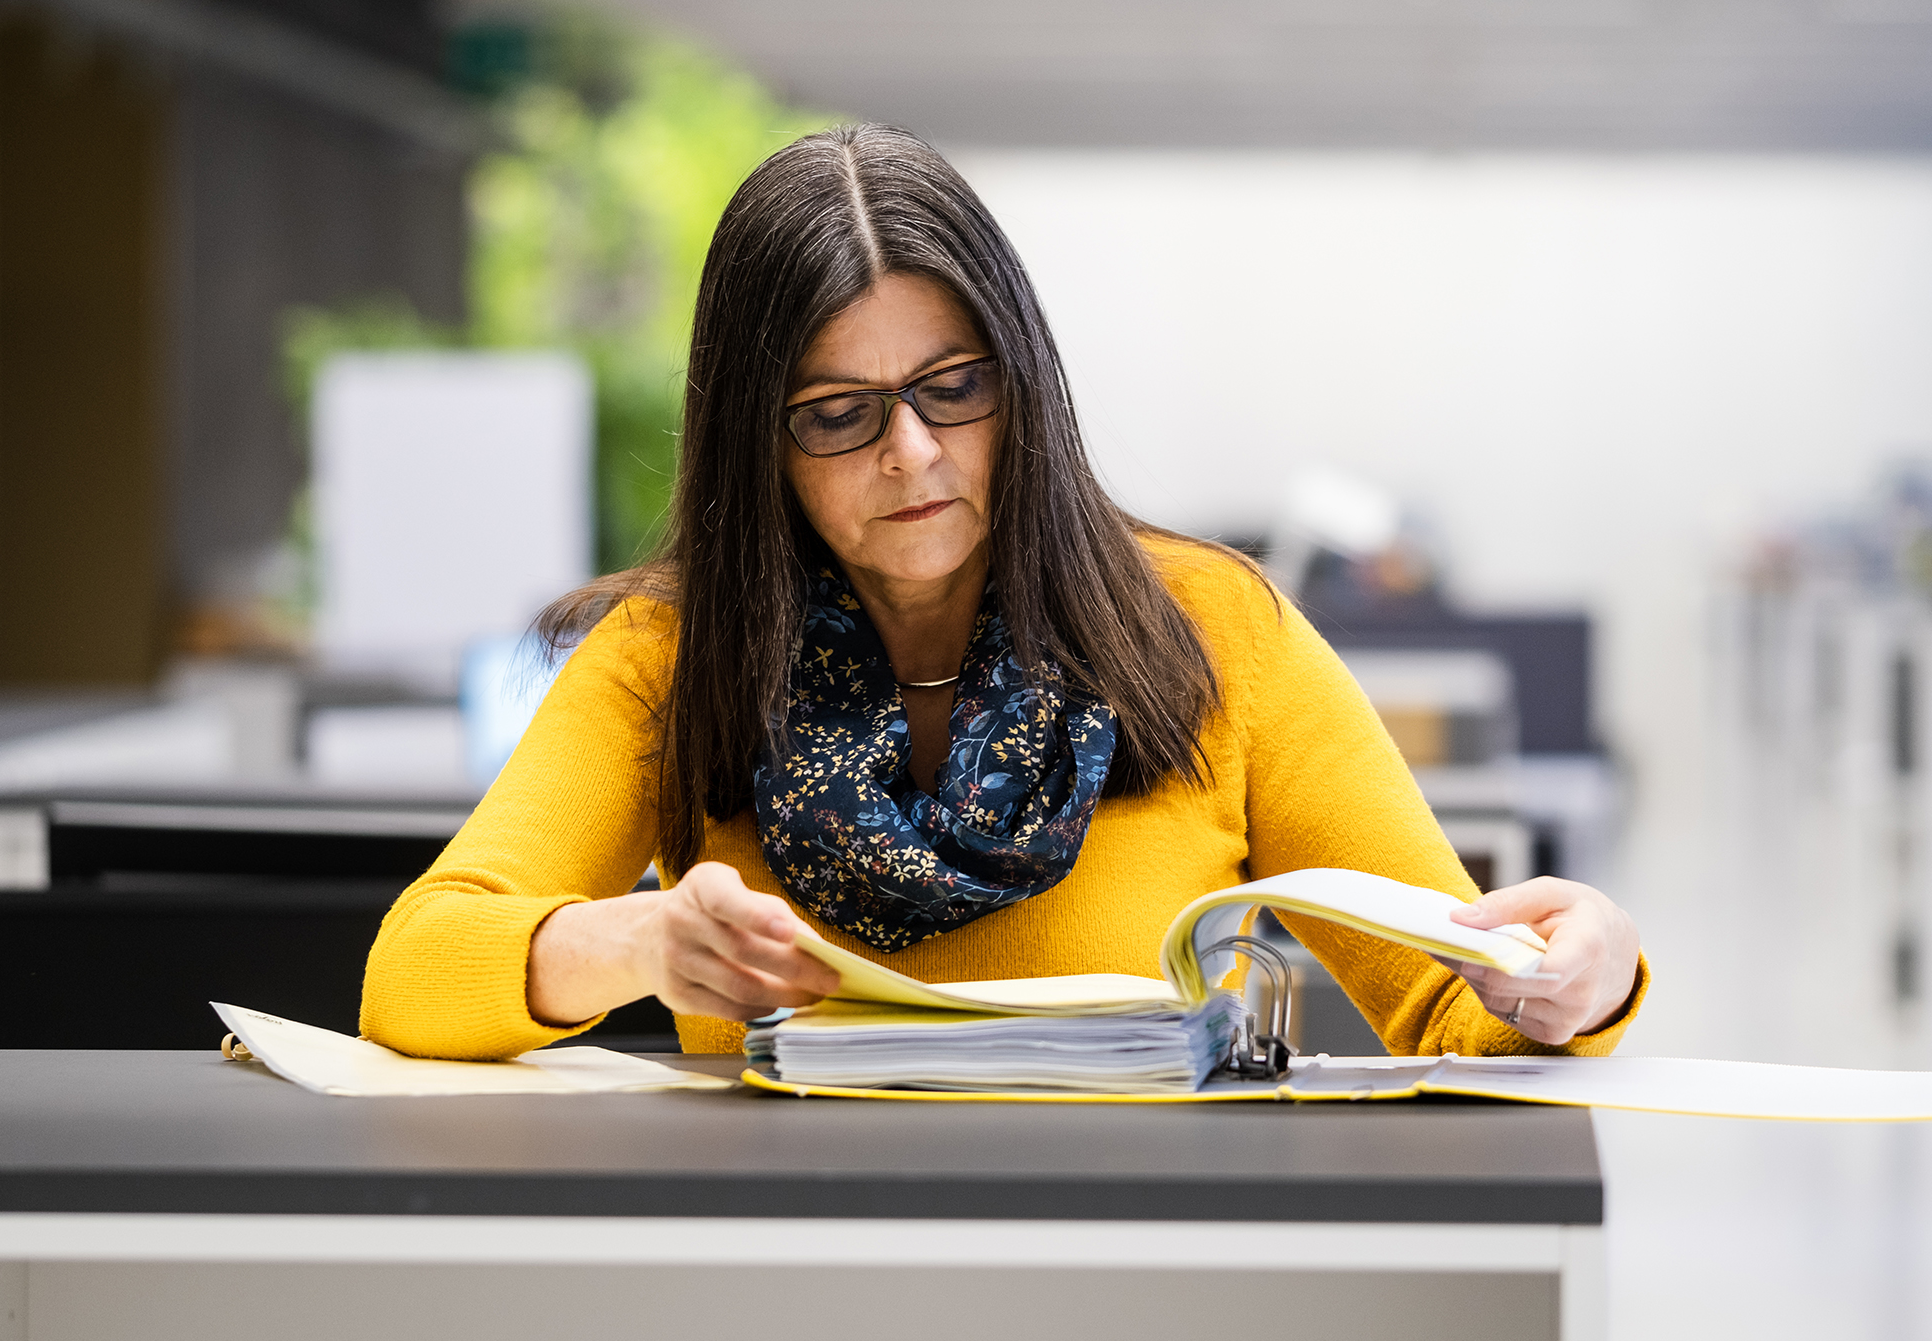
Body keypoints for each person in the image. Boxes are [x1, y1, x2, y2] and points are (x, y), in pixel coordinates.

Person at [360, 124, 1646, 1061]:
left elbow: (1446, 1006)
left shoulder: (1214, 630)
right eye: (837, 413)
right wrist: (636, 945)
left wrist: (1578, 976)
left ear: (1019, 380)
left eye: (953, 387)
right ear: (754, 443)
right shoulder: (672, 656)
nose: (911, 453)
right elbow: (410, 976)